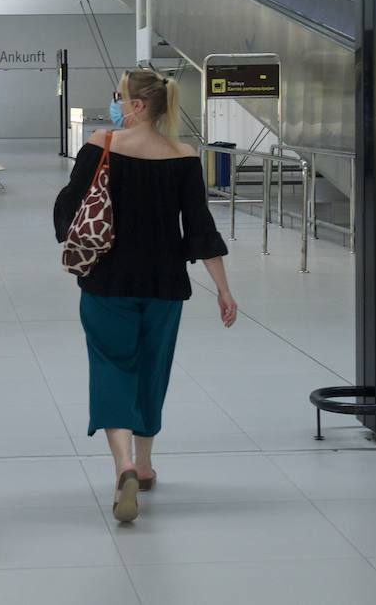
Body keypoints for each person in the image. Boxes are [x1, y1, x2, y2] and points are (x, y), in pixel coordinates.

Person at [53, 68, 237, 524]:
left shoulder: (102, 144)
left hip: (107, 282)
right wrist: (224, 290)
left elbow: (68, 208)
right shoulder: (184, 155)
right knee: (152, 370)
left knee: (112, 366)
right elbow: (200, 229)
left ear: (136, 106)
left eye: (119, 96)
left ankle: (124, 467)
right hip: (164, 286)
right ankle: (147, 462)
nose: (113, 103)